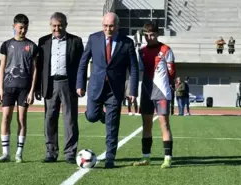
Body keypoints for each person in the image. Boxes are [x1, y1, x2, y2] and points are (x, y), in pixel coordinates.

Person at [76, 12, 139, 168]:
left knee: (112, 125)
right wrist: (80, 84)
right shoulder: (93, 38)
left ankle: (110, 157)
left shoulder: (127, 43)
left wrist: (132, 90)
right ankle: (102, 116)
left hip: (115, 90)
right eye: (105, 26)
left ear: (117, 26)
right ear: (102, 25)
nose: (108, 29)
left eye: (111, 26)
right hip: (96, 86)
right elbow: (83, 62)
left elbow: (134, 68)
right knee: (91, 116)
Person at [35, 12, 84, 164]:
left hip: (68, 84)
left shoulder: (76, 41)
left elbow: (81, 66)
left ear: (65, 25)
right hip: (50, 84)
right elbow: (39, 66)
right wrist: (38, 87)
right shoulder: (42, 42)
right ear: (51, 26)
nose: (57, 29)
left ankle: (70, 153)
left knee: (70, 120)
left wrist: (81, 85)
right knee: (49, 119)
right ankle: (51, 152)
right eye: (54, 26)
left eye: (60, 25)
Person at [0, 14, 38, 163]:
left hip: (24, 89)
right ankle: (5, 153)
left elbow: (34, 70)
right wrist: (0, 88)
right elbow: (2, 67)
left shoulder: (32, 46)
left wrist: (32, 91)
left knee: (21, 119)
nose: (23, 30)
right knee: (6, 117)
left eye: (25, 27)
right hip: (8, 87)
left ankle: (19, 153)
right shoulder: (6, 45)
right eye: (20, 27)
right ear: (14, 26)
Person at [132, 21, 176, 169]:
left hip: (161, 93)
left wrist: (167, 87)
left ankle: (168, 158)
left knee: (164, 124)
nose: (149, 38)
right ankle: (146, 157)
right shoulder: (141, 51)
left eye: (152, 35)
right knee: (146, 125)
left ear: (157, 34)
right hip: (146, 92)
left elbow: (172, 72)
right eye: (147, 35)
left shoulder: (166, 50)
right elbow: (138, 70)